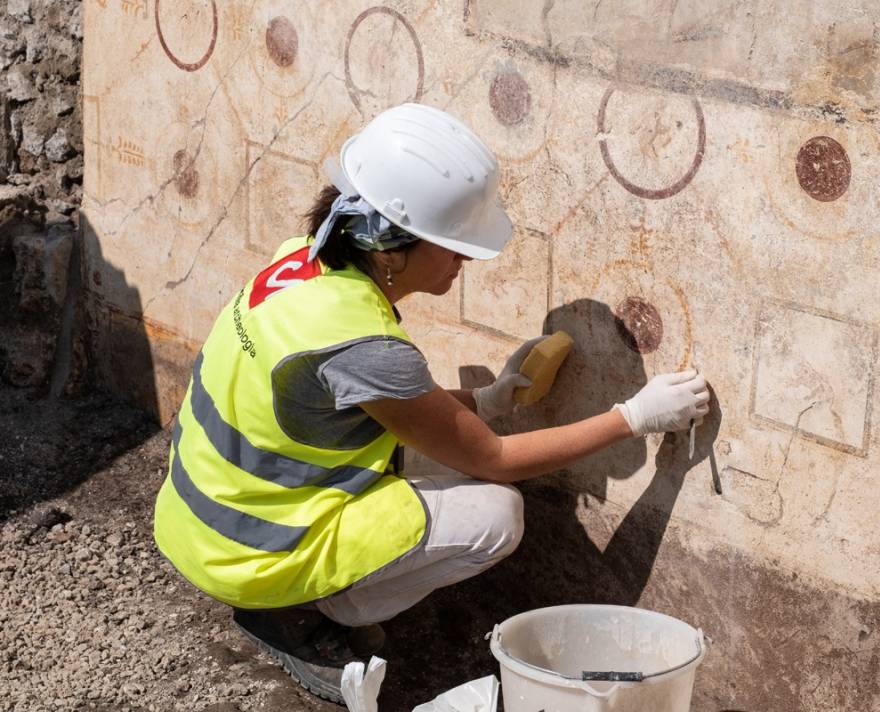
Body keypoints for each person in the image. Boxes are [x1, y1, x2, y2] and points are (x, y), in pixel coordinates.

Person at [152, 103, 709, 703]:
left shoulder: (304, 263)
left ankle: (299, 594)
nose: (464, 261)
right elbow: (494, 459)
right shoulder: (364, 343)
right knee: (498, 514)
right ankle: (298, 619)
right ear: (391, 247)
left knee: (438, 463)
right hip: (251, 554)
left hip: (203, 519)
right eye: (452, 247)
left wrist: (485, 399)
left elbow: (373, 401)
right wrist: (632, 417)